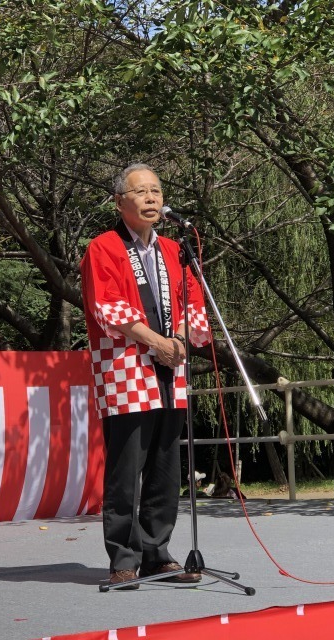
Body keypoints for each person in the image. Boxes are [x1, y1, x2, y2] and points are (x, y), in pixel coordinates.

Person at [80, 163, 211, 589]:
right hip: (125, 367)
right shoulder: (104, 247)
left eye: (157, 189)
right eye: (141, 191)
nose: (152, 197)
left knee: (165, 465)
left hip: (171, 367)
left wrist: (181, 339)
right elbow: (109, 308)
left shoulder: (175, 250)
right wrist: (157, 340)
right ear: (120, 201)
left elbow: (194, 303)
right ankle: (123, 557)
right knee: (125, 466)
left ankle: (158, 553)